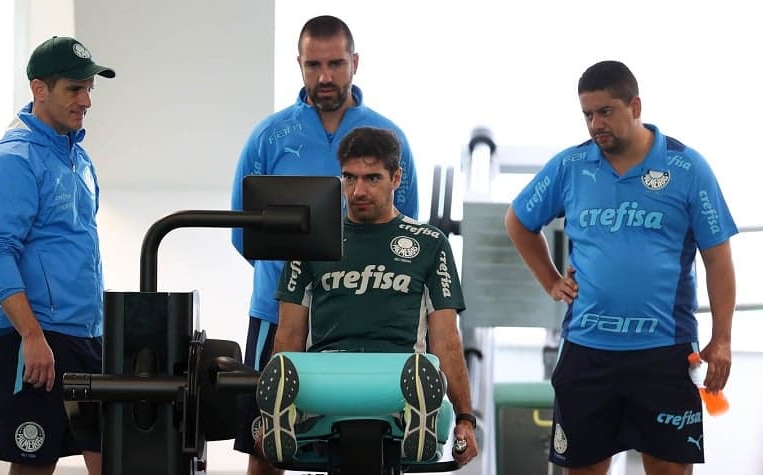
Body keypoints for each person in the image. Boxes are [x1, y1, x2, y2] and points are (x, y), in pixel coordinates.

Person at [504, 60, 736, 475]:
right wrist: (552, 281)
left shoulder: (687, 167)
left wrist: (721, 340)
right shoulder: (570, 166)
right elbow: (518, 221)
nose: (595, 124)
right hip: (588, 351)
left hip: (665, 352)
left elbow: (718, 259)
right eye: (587, 114)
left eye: (605, 111)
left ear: (635, 106)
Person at [230, 15, 419, 474]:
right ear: (299, 64)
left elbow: (408, 229)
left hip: (364, 322)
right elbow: (242, 231)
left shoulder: (388, 136)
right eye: (313, 64)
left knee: (373, 443)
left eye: (336, 63)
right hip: (278, 313)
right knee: (267, 443)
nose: (325, 76)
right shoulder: (268, 136)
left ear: (355, 62)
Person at [261, 126, 477, 468]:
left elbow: (446, 339)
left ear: (396, 177)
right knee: (287, 367)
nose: (358, 190)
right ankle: (281, 417)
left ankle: (421, 422)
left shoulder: (429, 242)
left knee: (425, 373)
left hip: (402, 378)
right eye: (349, 178)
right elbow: (288, 333)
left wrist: (467, 418)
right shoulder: (313, 241)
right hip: (328, 376)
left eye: (372, 178)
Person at [0, 36, 114, 475]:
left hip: (87, 337)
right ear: (39, 89)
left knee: (113, 459)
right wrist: (33, 337)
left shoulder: (79, 158)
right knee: (35, 468)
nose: (86, 100)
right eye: (75, 89)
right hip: (35, 340)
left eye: (89, 87)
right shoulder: (12, 160)